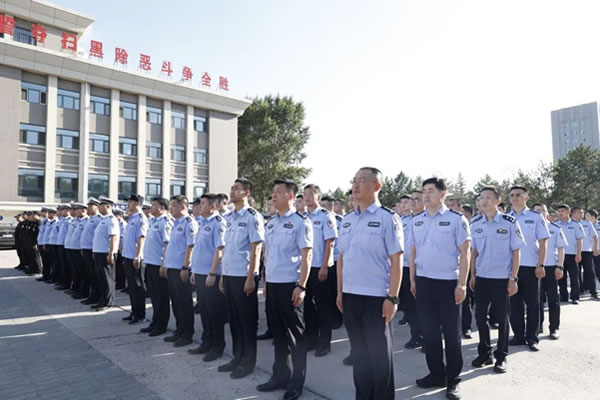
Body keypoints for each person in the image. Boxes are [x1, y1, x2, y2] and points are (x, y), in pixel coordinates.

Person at [336, 167, 403, 400]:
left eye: (362, 180)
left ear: (377, 186)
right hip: (350, 295)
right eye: (354, 180)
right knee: (360, 355)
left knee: (379, 356)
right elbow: (341, 258)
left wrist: (392, 297)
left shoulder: (387, 218)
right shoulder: (347, 220)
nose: (356, 185)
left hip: (376, 297)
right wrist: (340, 292)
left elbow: (396, 260)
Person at [410, 177, 470, 400]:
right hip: (424, 282)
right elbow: (413, 251)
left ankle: (453, 379)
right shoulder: (417, 220)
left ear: (442, 194)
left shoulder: (456, 219)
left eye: (431, 191)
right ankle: (436, 374)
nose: (425, 195)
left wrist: (461, 284)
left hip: (447, 283)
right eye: (424, 191)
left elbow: (465, 253)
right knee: (430, 333)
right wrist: (413, 280)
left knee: (452, 334)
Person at [257, 179, 312, 400]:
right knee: (278, 335)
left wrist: (301, 286)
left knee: (295, 336)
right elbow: (268, 255)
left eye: (278, 192)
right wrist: (266, 283)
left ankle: (297, 383)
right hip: (273, 285)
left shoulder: (300, 222)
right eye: (273, 192)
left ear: (290, 196)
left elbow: (307, 255)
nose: (273, 195)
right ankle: (280, 375)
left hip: (290, 285)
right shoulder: (271, 223)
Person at [469, 187, 524, 373]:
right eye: (481, 197)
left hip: (501, 278)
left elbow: (516, 252)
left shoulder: (509, 222)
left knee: (501, 318)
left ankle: (501, 356)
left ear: (498, 201)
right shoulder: (475, 223)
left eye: (488, 197)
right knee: (480, 317)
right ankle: (484, 353)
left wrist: (513, 277)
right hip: (482, 277)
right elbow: (473, 252)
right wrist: (473, 275)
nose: (484, 201)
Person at [218, 178, 264, 379]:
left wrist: (251, 277)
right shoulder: (229, 217)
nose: (232, 191)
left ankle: (248, 362)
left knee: (247, 321)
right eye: (232, 188)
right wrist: (222, 275)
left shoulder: (253, 216)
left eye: (236, 189)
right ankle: (237, 357)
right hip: (229, 274)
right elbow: (227, 249)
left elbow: (256, 247)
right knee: (234, 321)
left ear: (247, 193)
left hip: (244, 276)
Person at [189, 193, 227, 362]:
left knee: (214, 313)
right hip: (200, 273)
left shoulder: (218, 223)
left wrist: (212, 273)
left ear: (212, 206)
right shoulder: (202, 222)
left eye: (203, 204)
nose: (199, 206)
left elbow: (220, 250)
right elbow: (199, 249)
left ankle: (218, 346)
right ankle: (206, 342)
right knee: (204, 311)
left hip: (211, 275)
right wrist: (194, 271)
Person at [303, 184, 337, 357]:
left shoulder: (325, 216)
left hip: (320, 267)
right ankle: (311, 339)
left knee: (323, 306)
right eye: (305, 194)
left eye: (311, 194)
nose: (307, 197)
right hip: (306, 268)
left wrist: (324, 267)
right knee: (308, 306)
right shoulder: (303, 217)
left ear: (318, 196)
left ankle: (324, 342)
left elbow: (329, 243)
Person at [163, 195, 198, 347]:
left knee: (184, 302)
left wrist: (185, 267)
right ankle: (179, 330)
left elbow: (191, 247)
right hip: (172, 267)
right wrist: (166, 265)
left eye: (174, 205)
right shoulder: (175, 223)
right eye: (171, 205)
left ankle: (187, 334)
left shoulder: (189, 223)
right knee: (176, 302)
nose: (171, 208)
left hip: (182, 269)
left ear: (183, 207)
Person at [140, 197, 172, 336]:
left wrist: (164, 264)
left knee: (161, 297)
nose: (151, 208)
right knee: (154, 296)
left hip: (159, 264)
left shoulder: (165, 222)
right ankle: (155, 321)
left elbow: (167, 244)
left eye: (154, 205)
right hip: (150, 263)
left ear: (162, 208)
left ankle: (161, 325)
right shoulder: (153, 221)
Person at [533, 204, 565, 339]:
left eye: (542, 210)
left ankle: (554, 328)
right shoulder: (528, 227)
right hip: (533, 268)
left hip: (551, 267)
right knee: (536, 300)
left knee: (553, 299)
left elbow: (561, 249)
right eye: (537, 211)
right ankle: (537, 325)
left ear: (547, 213)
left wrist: (560, 266)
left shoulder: (555, 228)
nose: (540, 213)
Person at [398, 194, 424, 348]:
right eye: (402, 202)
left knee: (422, 306)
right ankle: (416, 335)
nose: (405, 205)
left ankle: (427, 337)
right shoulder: (401, 221)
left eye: (407, 202)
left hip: (420, 268)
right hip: (404, 267)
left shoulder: (424, 220)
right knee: (409, 305)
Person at [122, 194, 149, 324]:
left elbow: (141, 238)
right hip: (128, 256)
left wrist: (138, 256)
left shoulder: (141, 218)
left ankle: (140, 314)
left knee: (138, 286)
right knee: (132, 287)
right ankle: (134, 312)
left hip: (135, 257)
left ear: (138, 203)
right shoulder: (132, 218)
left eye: (130, 202)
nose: (128, 204)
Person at [91, 197, 120, 311]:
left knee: (107, 278)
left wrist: (111, 253)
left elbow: (113, 237)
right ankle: (102, 299)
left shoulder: (111, 220)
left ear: (108, 206)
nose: (99, 207)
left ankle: (108, 302)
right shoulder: (103, 220)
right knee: (101, 278)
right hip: (99, 252)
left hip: (105, 253)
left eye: (101, 205)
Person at [555, 204, 584, 304]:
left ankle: (575, 297)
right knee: (561, 277)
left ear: (568, 212)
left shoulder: (575, 224)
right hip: (559, 255)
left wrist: (578, 253)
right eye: (559, 211)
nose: (560, 213)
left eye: (562, 211)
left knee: (574, 276)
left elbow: (579, 240)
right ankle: (563, 296)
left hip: (572, 254)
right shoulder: (555, 224)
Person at [572, 207, 598, 298]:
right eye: (580, 212)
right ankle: (579, 290)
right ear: (573, 213)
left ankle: (593, 291)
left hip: (587, 251)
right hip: (574, 252)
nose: (582, 214)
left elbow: (595, 236)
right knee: (576, 273)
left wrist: (595, 248)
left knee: (590, 272)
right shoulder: (570, 223)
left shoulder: (587, 223)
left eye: (582, 213)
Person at [80, 198, 102, 305]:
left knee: (94, 274)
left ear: (96, 207)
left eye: (90, 206)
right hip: (86, 249)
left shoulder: (98, 219)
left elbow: (98, 237)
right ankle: (91, 294)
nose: (88, 208)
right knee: (88, 273)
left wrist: (94, 250)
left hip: (92, 250)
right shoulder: (90, 219)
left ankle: (96, 296)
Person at [114, 208, 127, 291]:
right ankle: (118, 283)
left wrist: (122, 248)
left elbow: (123, 237)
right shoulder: (116, 224)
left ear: (120, 216)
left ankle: (122, 284)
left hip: (122, 248)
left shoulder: (124, 224)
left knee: (121, 268)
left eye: (116, 215)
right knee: (118, 267)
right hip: (117, 248)